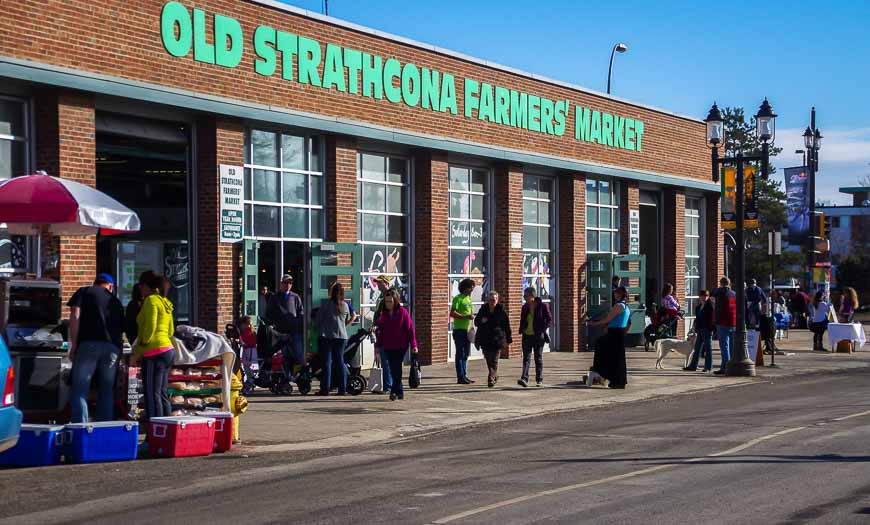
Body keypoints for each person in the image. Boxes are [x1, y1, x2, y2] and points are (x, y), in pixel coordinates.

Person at [67, 274, 125, 423]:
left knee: (80, 387)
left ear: (96, 283)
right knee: (106, 389)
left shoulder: (85, 291)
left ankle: (81, 426)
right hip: (112, 348)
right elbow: (121, 331)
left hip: (89, 345)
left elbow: (75, 314)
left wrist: (73, 345)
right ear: (110, 286)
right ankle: (103, 427)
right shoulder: (116, 302)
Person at [133, 273, 175, 421]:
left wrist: (140, 349)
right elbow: (171, 331)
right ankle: (168, 428)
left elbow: (149, 328)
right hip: (168, 350)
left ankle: (154, 433)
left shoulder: (151, 301)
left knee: (152, 393)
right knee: (162, 392)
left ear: (152, 288)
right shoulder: (166, 303)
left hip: (154, 352)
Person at [374, 289, 418, 401]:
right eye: (386, 301)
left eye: (390, 301)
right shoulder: (383, 315)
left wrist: (414, 345)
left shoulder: (403, 312)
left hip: (401, 346)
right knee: (394, 370)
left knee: (396, 367)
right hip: (388, 346)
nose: (388, 304)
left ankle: (393, 391)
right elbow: (380, 331)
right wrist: (377, 346)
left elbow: (410, 329)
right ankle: (400, 392)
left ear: (395, 301)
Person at [587, 285, 631, 389]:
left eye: (616, 293)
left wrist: (594, 323)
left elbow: (607, 319)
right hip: (619, 333)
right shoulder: (626, 306)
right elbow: (628, 323)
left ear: (619, 294)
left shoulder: (618, 306)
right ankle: (617, 380)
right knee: (617, 358)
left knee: (600, 344)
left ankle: (599, 370)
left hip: (614, 333)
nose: (614, 294)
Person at [315, 282, 353, 395]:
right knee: (340, 362)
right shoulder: (345, 305)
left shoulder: (326, 304)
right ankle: (342, 389)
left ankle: (325, 388)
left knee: (326, 363)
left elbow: (318, 320)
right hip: (342, 336)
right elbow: (348, 318)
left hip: (327, 336)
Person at [265, 274, 305, 379]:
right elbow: (268, 313)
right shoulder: (275, 298)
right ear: (281, 283)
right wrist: (273, 325)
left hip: (294, 331)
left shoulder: (295, 297)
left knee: (297, 354)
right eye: (286, 282)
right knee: (281, 355)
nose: (288, 285)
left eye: (290, 283)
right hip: (280, 332)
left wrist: (299, 324)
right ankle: (284, 376)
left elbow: (301, 312)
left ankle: (297, 375)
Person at [473, 291, 512, 388]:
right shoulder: (483, 309)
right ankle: (495, 375)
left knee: (494, 360)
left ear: (497, 300)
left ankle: (491, 378)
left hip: (497, 339)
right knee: (488, 359)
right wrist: (482, 321)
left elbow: (507, 325)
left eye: (493, 300)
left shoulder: (501, 311)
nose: (492, 302)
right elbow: (476, 321)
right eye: (490, 300)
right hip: (485, 338)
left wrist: (508, 338)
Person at [517, 287, 552, 388]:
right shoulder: (525, 307)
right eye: (524, 295)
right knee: (526, 358)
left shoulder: (542, 306)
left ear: (532, 296)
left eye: (526, 295)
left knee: (538, 358)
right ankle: (524, 378)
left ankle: (539, 379)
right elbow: (522, 320)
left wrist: (543, 329)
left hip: (538, 336)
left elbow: (549, 319)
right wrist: (521, 329)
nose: (524, 297)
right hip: (527, 335)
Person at [449, 278, 476, 385]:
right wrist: (465, 316)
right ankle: (460, 376)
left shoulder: (468, 299)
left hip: (468, 330)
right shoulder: (458, 298)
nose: (472, 290)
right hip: (459, 330)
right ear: (466, 288)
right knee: (460, 353)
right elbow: (452, 313)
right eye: (471, 288)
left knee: (466, 353)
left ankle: (464, 375)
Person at [371, 275, 395, 394]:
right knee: (382, 358)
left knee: (386, 360)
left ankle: (388, 386)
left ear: (386, 283)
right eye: (377, 283)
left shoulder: (391, 297)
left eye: (380, 283)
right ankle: (386, 384)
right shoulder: (381, 297)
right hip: (380, 331)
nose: (378, 285)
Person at [684, 289, 714, 373]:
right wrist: (695, 328)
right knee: (697, 349)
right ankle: (693, 366)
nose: (704, 298)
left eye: (705, 296)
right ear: (700, 297)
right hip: (700, 329)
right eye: (702, 296)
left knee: (708, 349)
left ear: (708, 297)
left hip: (707, 329)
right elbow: (697, 319)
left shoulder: (710, 305)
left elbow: (712, 318)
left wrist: (711, 328)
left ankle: (708, 367)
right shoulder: (698, 307)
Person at [712, 277, 737, 375]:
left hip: (723, 322)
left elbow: (714, 292)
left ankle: (725, 366)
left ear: (721, 284)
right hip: (733, 322)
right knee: (731, 345)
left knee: (724, 345)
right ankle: (731, 365)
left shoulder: (720, 293)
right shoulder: (734, 294)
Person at [125, 270, 157, 344]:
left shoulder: (148, 302)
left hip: (140, 340)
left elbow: (129, 324)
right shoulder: (159, 301)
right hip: (158, 344)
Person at [239, 316, 258, 392]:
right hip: (248, 351)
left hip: (249, 351)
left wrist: (243, 343)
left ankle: (251, 381)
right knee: (247, 367)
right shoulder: (250, 331)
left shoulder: (249, 332)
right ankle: (250, 381)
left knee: (249, 367)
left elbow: (250, 342)